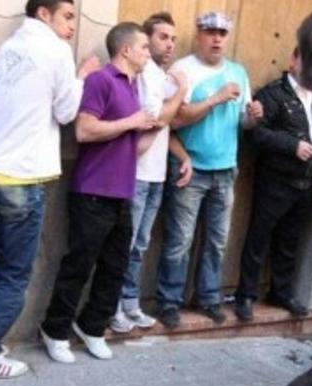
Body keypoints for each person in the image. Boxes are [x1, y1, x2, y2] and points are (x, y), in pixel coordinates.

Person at [0, 0, 99, 380]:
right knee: (16, 274)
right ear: (43, 14)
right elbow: (66, 114)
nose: (72, 26)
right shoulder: (56, 50)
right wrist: (81, 78)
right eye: (67, 17)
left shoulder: (8, 49)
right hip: (23, 179)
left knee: (5, 266)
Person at [40, 23, 155, 363]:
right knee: (79, 265)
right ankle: (54, 329)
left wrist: (154, 126)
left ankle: (92, 327)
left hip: (121, 193)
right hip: (91, 192)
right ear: (126, 50)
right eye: (144, 47)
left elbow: (129, 144)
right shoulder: (101, 80)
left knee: (114, 267)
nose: (148, 53)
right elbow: (85, 130)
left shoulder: (133, 88)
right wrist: (131, 122)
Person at [155, 11, 263, 328]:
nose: (217, 38)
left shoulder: (238, 72)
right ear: (199, 34)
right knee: (179, 241)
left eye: (222, 33)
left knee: (217, 241)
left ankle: (209, 298)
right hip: (191, 168)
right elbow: (174, 120)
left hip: (226, 169)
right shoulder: (183, 70)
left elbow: (242, 121)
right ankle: (168, 302)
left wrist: (253, 117)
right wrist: (215, 98)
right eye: (210, 31)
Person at [232, 48, 312, 322]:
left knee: (290, 242)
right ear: (293, 60)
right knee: (259, 238)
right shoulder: (273, 94)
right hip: (275, 181)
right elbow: (256, 135)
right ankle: (246, 295)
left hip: (306, 185)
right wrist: (292, 146)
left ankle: (281, 293)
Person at [110, 12, 189, 333]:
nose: (169, 44)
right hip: (137, 173)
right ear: (144, 41)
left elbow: (167, 127)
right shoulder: (145, 75)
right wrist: (181, 92)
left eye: (172, 38)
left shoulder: (161, 75)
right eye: (161, 37)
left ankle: (130, 304)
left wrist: (184, 156)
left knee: (140, 244)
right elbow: (157, 119)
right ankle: (112, 307)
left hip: (157, 174)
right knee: (126, 244)